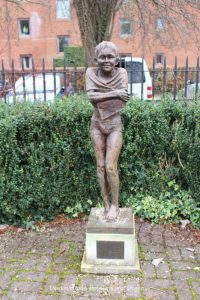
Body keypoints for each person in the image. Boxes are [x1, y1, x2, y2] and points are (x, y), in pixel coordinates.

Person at [86, 41, 129, 221]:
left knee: (111, 166)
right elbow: (91, 97)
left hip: (114, 125)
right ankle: (105, 203)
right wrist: (115, 93)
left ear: (117, 59)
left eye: (110, 56)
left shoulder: (122, 73)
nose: (106, 60)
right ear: (96, 59)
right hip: (96, 124)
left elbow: (124, 99)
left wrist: (110, 95)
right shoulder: (90, 73)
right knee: (100, 166)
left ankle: (115, 204)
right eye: (102, 57)